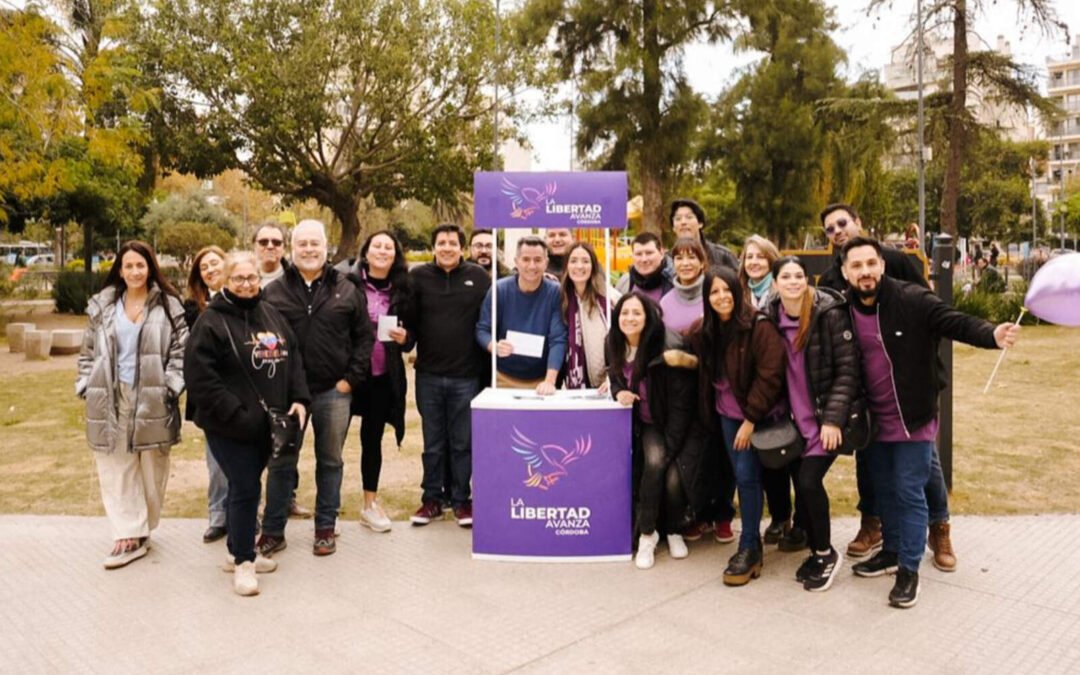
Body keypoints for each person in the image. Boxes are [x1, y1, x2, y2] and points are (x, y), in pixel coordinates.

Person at [841, 236, 1020, 608]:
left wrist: (991, 334)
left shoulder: (910, 299)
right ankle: (891, 552)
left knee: (909, 491)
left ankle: (909, 570)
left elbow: (952, 321)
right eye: (856, 266)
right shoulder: (843, 310)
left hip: (913, 417)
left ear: (883, 265)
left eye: (871, 264)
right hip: (873, 421)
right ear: (845, 272)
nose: (865, 272)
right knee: (885, 490)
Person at [815, 204, 955, 566]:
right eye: (830, 230)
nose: (838, 231)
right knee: (870, 458)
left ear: (858, 221)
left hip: (910, 383)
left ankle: (939, 528)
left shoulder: (897, 261)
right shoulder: (832, 279)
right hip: (867, 389)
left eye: (843, 223)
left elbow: (929, 312)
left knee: (924, 465)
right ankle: (874, 524)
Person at [185, 251, 309, 596]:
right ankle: (243, 561)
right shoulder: (210, 322)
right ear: (224, 281)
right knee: (245, 488)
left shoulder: (272, 314)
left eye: (251, 277)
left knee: (248, 485)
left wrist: (300, 399)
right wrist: (236, 414)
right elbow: (200, 378)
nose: (246, 284)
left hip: (269, 425)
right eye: (238, 278)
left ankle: (238, 550)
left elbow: (294, 357)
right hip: (229, 426)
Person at [260, 220, 374, 557]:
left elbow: (364, 339)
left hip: (332, 392)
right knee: (281, 462)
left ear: (326, 247)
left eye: (315, 243)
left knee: (330, 461)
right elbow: (264, 343)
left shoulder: (348, 289)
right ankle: (272, 531)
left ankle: (325, 527)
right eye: (302, 244)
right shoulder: (274, 292)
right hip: (287, 396)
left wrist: (349, 380)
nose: (309, 250)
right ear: (292, 249)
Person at [76, 241, 188, 569]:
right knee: (115, 465)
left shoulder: (168, 305)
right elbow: (87, 351)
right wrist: (85, 383)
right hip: (111, 395)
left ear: (150, 268)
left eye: (141, 265)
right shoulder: (104, 306)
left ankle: (143, 527)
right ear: (120, 270)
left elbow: (182, 350)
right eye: (129, 266)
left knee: (153, 468)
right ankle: (127, 533)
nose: (135, 272)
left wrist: (170, 386)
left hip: (154, 395)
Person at [765, 256, 864, 592]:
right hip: (793, 424)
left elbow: (848, 371)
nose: (793, 281)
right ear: (775, 283)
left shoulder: (828, 314)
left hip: (823, 421)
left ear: (807, 281)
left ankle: (825, 552)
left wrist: (834, 420)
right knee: (800, 486)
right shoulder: (770, 318)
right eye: (785, 276)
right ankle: (813, 547)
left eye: (798, 276)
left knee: (808, 484)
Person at [690, 266, 786, 586]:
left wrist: (750, 421)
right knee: (742, 477)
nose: (721, 297)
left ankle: (749, 546)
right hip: (725, 416)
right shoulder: (708, 330)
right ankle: (753, 540)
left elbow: (770, 376)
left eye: (726, 290)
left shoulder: (758, 327)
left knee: (746, 477)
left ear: (737, 290)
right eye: (714, 292)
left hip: (752, 418)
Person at [608, 293, 704, 569]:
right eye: (624, 313)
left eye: (636, 313)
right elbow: (615, 378)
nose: (629, 319)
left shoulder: (667, 348)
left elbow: (682, 404)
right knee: (653, 462)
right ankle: (648, 534)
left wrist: (671, 449)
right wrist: (619, 393)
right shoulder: (613, 343)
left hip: (681, 425)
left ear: (648, 317)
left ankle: (673, 529)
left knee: (674, 477)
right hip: (649, 424)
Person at [409, 224, 491, 526]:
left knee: (461, 443)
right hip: (428, 375)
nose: (446, 247)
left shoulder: (479, 277)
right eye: (441, 242)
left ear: (462, 247)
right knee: (433, 443)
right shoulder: (418, 278)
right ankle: (431, 499)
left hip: (466, 377)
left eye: (452, 243)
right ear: (433, 247)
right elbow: (410, 321)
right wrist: (403, 338)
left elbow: (491, 318)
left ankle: (461, 501)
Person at [335, 230, 414, 533]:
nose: (382, 251)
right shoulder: (344, 281)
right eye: (376, 246)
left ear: (395, 255)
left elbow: (412, 334)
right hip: (347, 377)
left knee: (372, 442)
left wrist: (407, 338)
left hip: (382, 377)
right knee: (334, 445)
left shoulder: (404, 288)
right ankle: (327, 509)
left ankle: (370, 504)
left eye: (389, 247)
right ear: (365, 252)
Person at [254, 221, 310, 519]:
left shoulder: (295, 279)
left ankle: (285, 499)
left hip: (290, 376)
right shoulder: (243, 277)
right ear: (255, 245)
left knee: (289, 443)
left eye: (276, 242)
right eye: (264, 242)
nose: (270, 247)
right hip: (255, 376)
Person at [476, 236, 568, 395]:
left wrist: (549, 381)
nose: (532, 266)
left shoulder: (555, 292)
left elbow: (558, 338)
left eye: (538, 260)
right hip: (503, 378)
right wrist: (495, 347)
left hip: (541, 380)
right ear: (516, 261)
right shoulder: (499, 290)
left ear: (546, 262)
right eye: (526, 259)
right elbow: (482, 329)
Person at [183, 245, 230, 544]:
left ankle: (249, 513)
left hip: (246, 391)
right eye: (204, 268)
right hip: (212, 392)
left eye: (215, 263)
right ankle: (218, 515)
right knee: (216, 460)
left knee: (248, 461)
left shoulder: (250, 298)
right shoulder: (194, 308)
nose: (211, 270)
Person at [560, 241, 620, 389]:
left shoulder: (610, 298)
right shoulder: (561, 297)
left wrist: (613, 378)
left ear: (593, 265)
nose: (579, 266)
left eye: (585, 261)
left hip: (609, 384)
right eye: (573, 261)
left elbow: (623, 341)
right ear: (567, 266)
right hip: (573, 387)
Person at [667, 198, 739, 271]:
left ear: (700, 223)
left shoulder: (722, 255)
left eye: (689, 217)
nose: (683, 222)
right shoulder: (667, 259)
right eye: (678, 219)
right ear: (673, 228)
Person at [659, 237, 709, 340]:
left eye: (691, 257)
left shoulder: (713, 296)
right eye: (679, 258)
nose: (685, 264)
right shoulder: (665, 303)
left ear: (702, 263)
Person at [615, 232, 674, 304]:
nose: (644, 259)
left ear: (661, 253)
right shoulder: (625, 283)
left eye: (649, 253)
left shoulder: (675, 281)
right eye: (638, 254)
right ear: (632, 256)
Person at [739, 234, 780, 310]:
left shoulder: (782, 292)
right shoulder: (739, 293)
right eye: (749, 257)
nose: (754, 262)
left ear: (771, 261)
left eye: (760, 257)